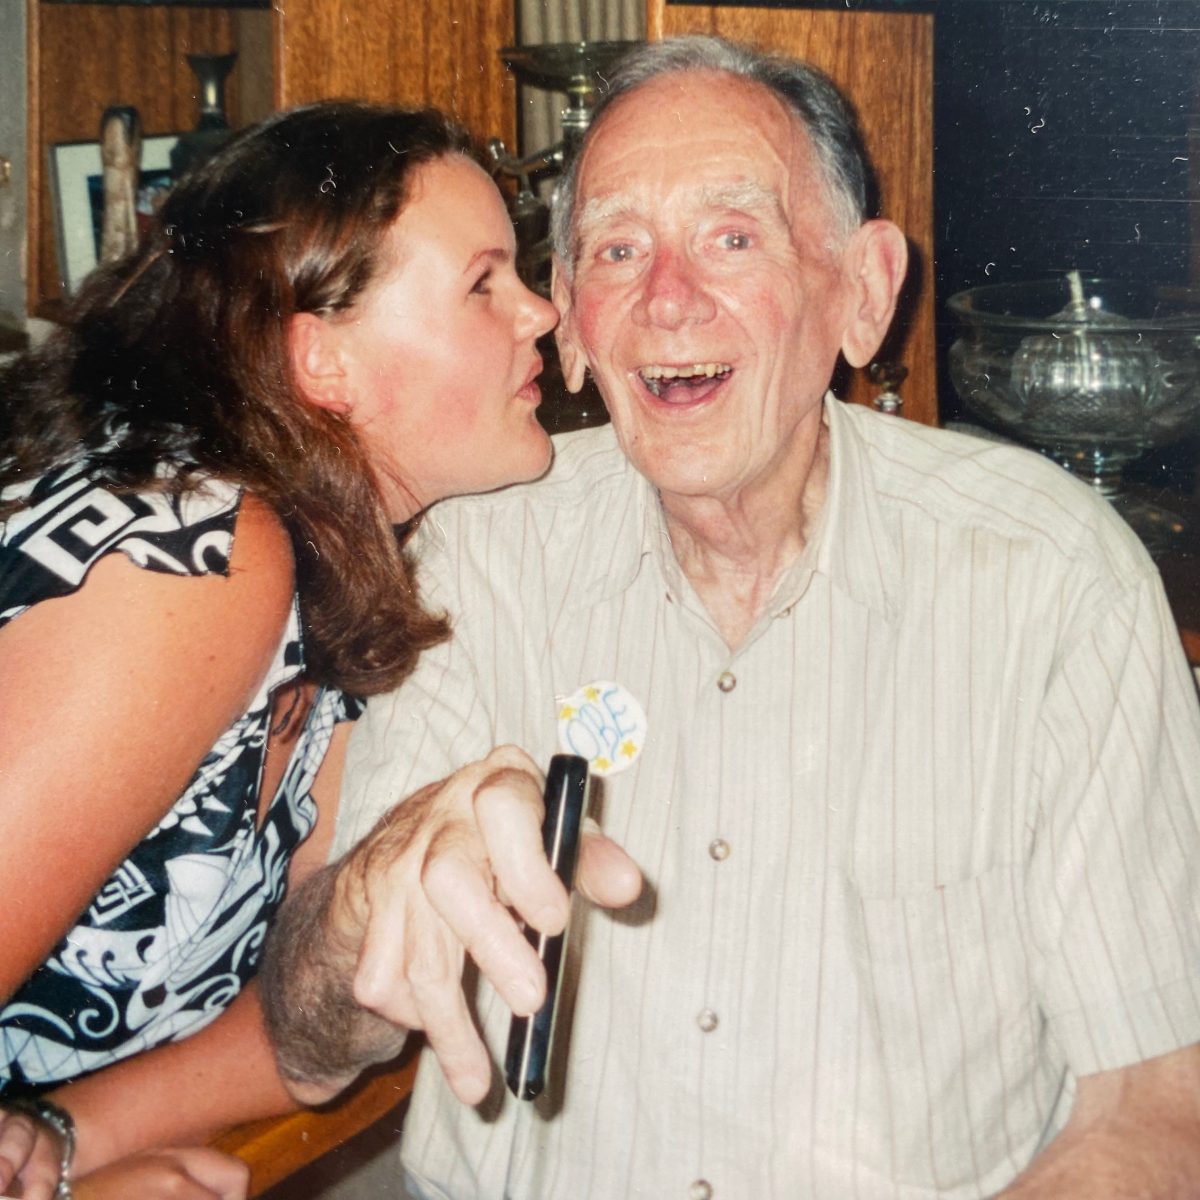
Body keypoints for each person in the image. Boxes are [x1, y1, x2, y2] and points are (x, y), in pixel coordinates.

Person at [261, 35, 1200, 1200]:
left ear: (860, 295)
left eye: (732, 238)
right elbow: (307, 1049)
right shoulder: (478, 558)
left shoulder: (1051, 579)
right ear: (575, 329)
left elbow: (1162, 1098)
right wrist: (374, 893)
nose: (666, 299)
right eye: (615, 247)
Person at [0, 98, 640, 1200]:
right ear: (323, 364)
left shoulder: (341, 570)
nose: (542, 310)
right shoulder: (195, 562)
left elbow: (293, 1044)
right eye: (485, 282)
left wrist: (65, 1148)